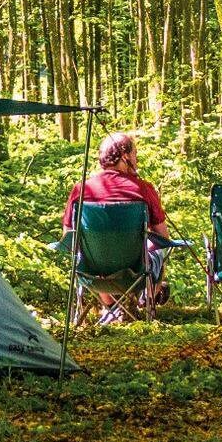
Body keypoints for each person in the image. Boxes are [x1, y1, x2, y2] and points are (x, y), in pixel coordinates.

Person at [63, 131, 171, 322]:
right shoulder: (143, 189)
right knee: (158, 252)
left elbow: (68, 238)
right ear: (126, 157)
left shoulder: (81, 190)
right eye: (135, 154)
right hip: (136, 272)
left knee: (85, 252)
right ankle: (144, 301)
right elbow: (163, 237)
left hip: (92, 273)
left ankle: (112, 308)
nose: (137, 160)